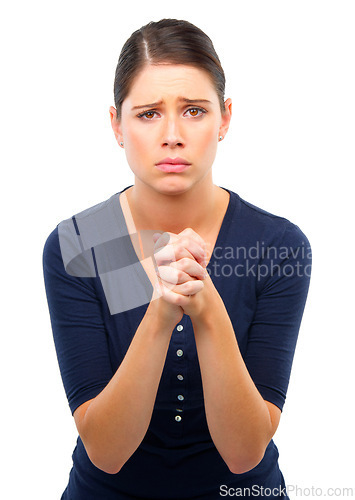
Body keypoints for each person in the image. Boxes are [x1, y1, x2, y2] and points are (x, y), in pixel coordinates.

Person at [42, 18, 312, 500]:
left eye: (193, 110)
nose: (172, 135)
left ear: (224, 118)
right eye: (147, 114)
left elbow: (245, 451)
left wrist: (205, 307)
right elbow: (106, 449)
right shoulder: (84, 243)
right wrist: (163, 309)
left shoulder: (276, 246)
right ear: (116, 124)